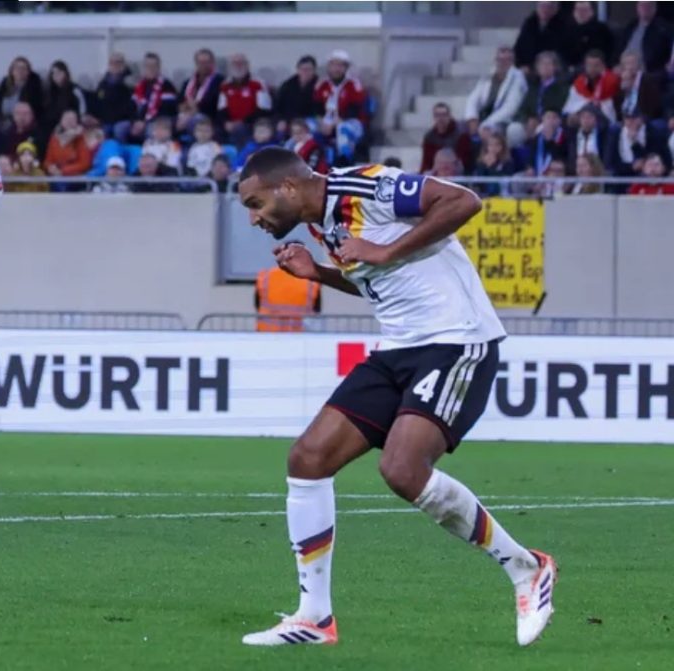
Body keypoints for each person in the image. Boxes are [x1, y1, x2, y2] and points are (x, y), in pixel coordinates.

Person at [235, 146, 555, 648]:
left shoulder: (365, 187)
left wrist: (384, 250)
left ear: (288, 188)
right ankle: (314, 618)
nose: (254, 219)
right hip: (399, 345)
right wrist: (318, 274)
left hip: (455, 340)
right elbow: (377, 278)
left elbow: (462, 202)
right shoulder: (322, 223)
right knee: (308, 458)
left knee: (403, 470)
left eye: (255, 204)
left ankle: (526, 567)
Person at [313, 50, 368, 166]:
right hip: (327, 121)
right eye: (333, 65)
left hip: (351, 122)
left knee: (343, 129)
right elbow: (316, 108)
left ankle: (345, 163)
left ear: (346, 68)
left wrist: (336, 123)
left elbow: (356, 109)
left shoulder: (354, 84)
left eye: (340, 65)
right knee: (307, 126)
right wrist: (321, 122)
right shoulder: (322, 85)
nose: (336, 69)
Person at [464, 46, 527, 137]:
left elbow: (510, 108)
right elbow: (473, 98)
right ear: (496, 60)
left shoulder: (518, 78)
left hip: (505, 120)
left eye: (507, 60)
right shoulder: (489, 75)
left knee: (488, 131)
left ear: (512, 61)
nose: (503, 63)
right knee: (462, 129)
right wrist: (472, 118)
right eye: (500, 60)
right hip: (484, 116)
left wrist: (486, 124)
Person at [218, 53, 272, 147]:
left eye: (241, 63)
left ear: (247, 65)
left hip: (251, 123)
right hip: (231, 124)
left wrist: (242, 122)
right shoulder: (225, 85)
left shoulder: (257, 84)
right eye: (235, 63)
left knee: (240, 129)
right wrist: (226, 122)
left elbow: (264, 109)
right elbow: (221, 109)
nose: (238, 66)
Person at [125, 52, 178, 144]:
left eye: (153, 66)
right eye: (147, 66)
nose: (150, 69)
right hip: (139, 121)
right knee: (121, 128)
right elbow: (131, 107)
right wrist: (135, 122)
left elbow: (167, 110)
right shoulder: (139, 86)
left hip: (157, 121)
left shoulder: (167, 86)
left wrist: (144, 122)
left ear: (159, 67)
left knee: (151, 130)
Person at [254, 265, 320, 332]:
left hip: (267, 336)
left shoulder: (266, 276)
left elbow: (257, 305)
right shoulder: (311, 280)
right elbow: (317, 310)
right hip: (299, 336)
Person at [562, 50, 620, 124]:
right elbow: (572, 105)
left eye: (596, 65)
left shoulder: (612, 80)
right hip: (581, 116)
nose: (592, 68)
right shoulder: (579, 82)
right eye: (589, 65)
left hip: (604, 117)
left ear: (603, 66)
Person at [616, 1, 673, 74]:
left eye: (648, 5)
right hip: (624, 66)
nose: (645, 8)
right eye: (642, 5)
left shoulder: (663, 29)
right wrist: (616, 64)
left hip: (645, 70)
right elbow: (618, 49)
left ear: (655, 9)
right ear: (637, 8)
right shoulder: (630, 26)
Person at [177, 48, 223, 136]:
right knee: (168, 122)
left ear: (212, 63)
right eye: (200, 63)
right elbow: (179, 101)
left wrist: (195, 109)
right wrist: (185, 109)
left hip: (209, 117)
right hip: (186, 115)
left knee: (196, 120)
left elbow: (214, 103)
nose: (203, 65)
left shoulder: (219, 81)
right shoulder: (188, 82)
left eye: (206, 62)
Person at [274, 55, 321, 137]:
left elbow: (320, 108)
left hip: (309, 120)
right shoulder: (288, 85)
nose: (305, 72)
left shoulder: (320, 85)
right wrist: (280, 120)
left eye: (309, 69)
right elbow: (278, 106)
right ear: (298, 70)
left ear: (314, 71)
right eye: (303, 69)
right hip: (289, 119)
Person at [513, 2, 567, 71]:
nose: (545, 10)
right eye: (542, 7)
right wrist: (520, 65)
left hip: (551, 68)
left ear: (553, 10)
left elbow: (561, 51)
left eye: (548, 7)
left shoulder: (561, 26)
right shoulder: (529, 24)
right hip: (529, 67)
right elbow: (519, 47)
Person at [421, 102, 473, 174]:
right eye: (437, 115)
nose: (440, 118)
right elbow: (426, 163)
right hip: (436, 174)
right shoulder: (429, 137)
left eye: (444, 115)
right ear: (433, 117)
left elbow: (465, 162)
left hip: (456, 174)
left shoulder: (461, 135)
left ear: (449, 116)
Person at [44, 109, 93, 181]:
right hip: (56, 175)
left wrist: (63, 171)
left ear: (77, 122)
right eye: (66, 118)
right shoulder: (55, 138)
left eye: (72, 119)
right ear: (61, 121)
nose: (69, 121)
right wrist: (50, 167)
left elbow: (85, 163)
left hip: (74, 177)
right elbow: (48, 160)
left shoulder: (81, 137)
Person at [0, 56, 43, 124]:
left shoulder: (33, 88)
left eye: (23, 68)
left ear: (28, 72)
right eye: (17, 68)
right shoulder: (5, 84)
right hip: (2, 121)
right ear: (12, 71)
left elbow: (35, 110)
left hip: (22, 124)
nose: (20, 71)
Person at [43, 60, 88, 134]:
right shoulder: (48, 91)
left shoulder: (74, 89)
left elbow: (82, 108)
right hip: (52, 125)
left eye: (59, 72)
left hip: (71, 125)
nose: (56, 75)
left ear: (65, 73)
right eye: (53, 73)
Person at [566, 1, 615, 67]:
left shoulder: (601, 30)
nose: (581, 13)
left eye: (584, 10)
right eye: (578, 10)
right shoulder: (567, 29)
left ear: (592, 12)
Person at [472, 131, 516, 197]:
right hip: (483, 196)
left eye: (497, 145)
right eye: (490, 145)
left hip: (502, 196)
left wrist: (492, 166)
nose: (493, 148)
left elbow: (503, 181)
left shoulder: (507, 162)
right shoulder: (481, 161)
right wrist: (483, 165)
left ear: (502, 147)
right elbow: (478, 182)